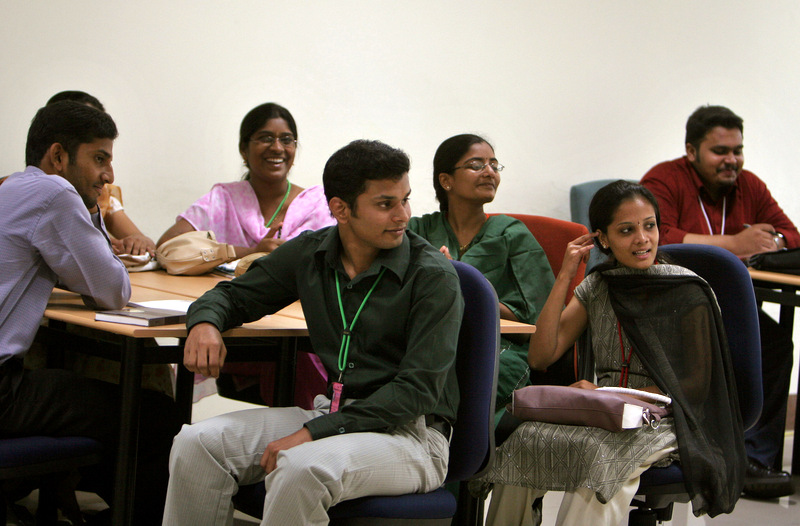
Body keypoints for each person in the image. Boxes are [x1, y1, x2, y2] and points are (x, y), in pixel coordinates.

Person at [162, 139, 463, 525]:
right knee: (196, 443)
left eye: (405, 199)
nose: (403, 215)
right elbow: (233, 296)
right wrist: (205, 323)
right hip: (335, 413)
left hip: (412, 437)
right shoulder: (312, 253)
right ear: (340, 208)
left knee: (301, 466)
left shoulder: (432, 276)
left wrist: (313, 432)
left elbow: (416, 392)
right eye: (386, 204)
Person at [480, 181, 744, 525]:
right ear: (603, 239)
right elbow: (540, 357)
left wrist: (606, 394)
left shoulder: (686, 290)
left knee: (600, 460)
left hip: (666, 419)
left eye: (649, 226)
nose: (642, 239)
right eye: (626, 230)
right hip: (604, 415)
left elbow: (694, 386)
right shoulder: (598, 286)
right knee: (525, 440)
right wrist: (564, 276)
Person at [0, 101, 179, 524]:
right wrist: (96, 209)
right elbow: (113, 291)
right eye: (99, 159)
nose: (108, 176)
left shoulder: (10, 188)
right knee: (156, 415)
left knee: (92, 398)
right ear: (58, 156)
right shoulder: (55, 192)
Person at [640, 105, 796, 499]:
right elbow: (659, 236)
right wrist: (735, 245)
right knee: (729, 343)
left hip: (732, 302)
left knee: (775, 343)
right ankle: (714, 455)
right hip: (673, 301)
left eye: (737, 150)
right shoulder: (664, 178)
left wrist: (770, 242)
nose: (732, 160)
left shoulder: (749, 185)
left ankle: (752, 459)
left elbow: (790, 235)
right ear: (691, 151)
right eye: (720, 151)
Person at [158, 102, 336, 408]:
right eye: (265, 138)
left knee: (304, 359)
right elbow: (168, 246)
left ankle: (303, 436)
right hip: (235, 325)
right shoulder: (224, 198)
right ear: (244, 149)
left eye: (287, 139)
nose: (277, 147)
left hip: (298, 330)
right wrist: (247, 252)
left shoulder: (316, 204)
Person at [408, 133, 554, 422]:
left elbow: (537, 320)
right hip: (430, 340)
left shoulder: (512, 233)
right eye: (477, 164)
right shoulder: (419, 231)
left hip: (499, 346)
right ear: (446, 180)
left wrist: (466, 288)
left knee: (469, 391)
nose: (489, 172)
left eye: (494, 165)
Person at [47, 90, 157, 256]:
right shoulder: (20, 194)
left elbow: (144, 242)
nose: (109, 177)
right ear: (58, 154)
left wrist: (136, 242)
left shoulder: (102, 197)